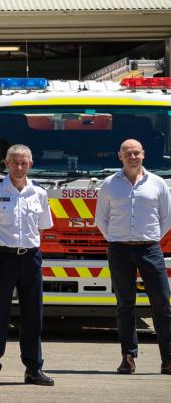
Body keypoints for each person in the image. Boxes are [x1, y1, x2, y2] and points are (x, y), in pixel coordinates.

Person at [0, 144, 54, 387]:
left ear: (30, 165)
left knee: (33, 316)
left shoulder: (39, 193)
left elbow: (41, 226)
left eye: (24, 163)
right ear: (6, 164)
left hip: (30, 258)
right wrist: (1, 243)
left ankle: (33, 369)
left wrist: (23, 245)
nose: (19, 167)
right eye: (15, 162)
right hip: (2, 259)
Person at [95, 138, 171, 376]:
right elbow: (101, 218)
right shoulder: (109, 184)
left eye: (136, 152)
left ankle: (168, 359)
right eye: (127, 153)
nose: (132, 156)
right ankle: (128, 358)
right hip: (119, 251)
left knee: (162, 304)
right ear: (120, 156)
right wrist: (115, 238)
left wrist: (151, 237)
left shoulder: (158, 184)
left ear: (143, 154)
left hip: (150, 249)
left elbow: (167, 217)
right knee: (125, 305)